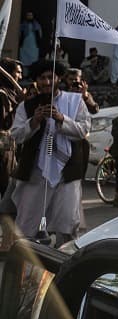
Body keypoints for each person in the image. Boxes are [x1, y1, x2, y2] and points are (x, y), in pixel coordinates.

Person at [10, 59, 90, 243]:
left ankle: (64, 267)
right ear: (36, 80)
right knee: (27, 227)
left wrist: (62, 119)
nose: (46, 82)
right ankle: (27, 268)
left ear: (58, 78)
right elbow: (16, 135)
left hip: (66, 172)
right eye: (42, 78)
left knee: (67, 226)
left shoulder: (75, 101)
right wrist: (34, 122)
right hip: (36, 172)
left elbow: (83, 130)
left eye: (50, 77)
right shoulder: (27, 106)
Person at [0, 58, 24, 197]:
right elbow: (6, 124)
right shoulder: (2, 95)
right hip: (3, 149)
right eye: (17, 72)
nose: (20, 76)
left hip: (10, 148)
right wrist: (19, 105)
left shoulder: (10, 93)